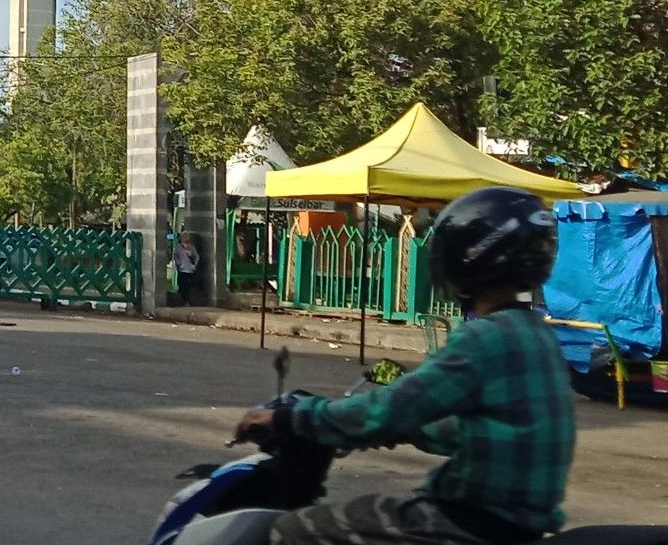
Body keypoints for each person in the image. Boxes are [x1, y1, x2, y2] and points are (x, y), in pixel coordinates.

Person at [234, 187, 572, 545]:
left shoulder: (485, 339)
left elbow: (390, 408)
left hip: (467, 521)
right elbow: (472, 428)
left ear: (466, 258)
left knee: (290, 530)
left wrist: (290, 418)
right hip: (516, 525)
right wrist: (405, 431)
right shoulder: (538, 337)